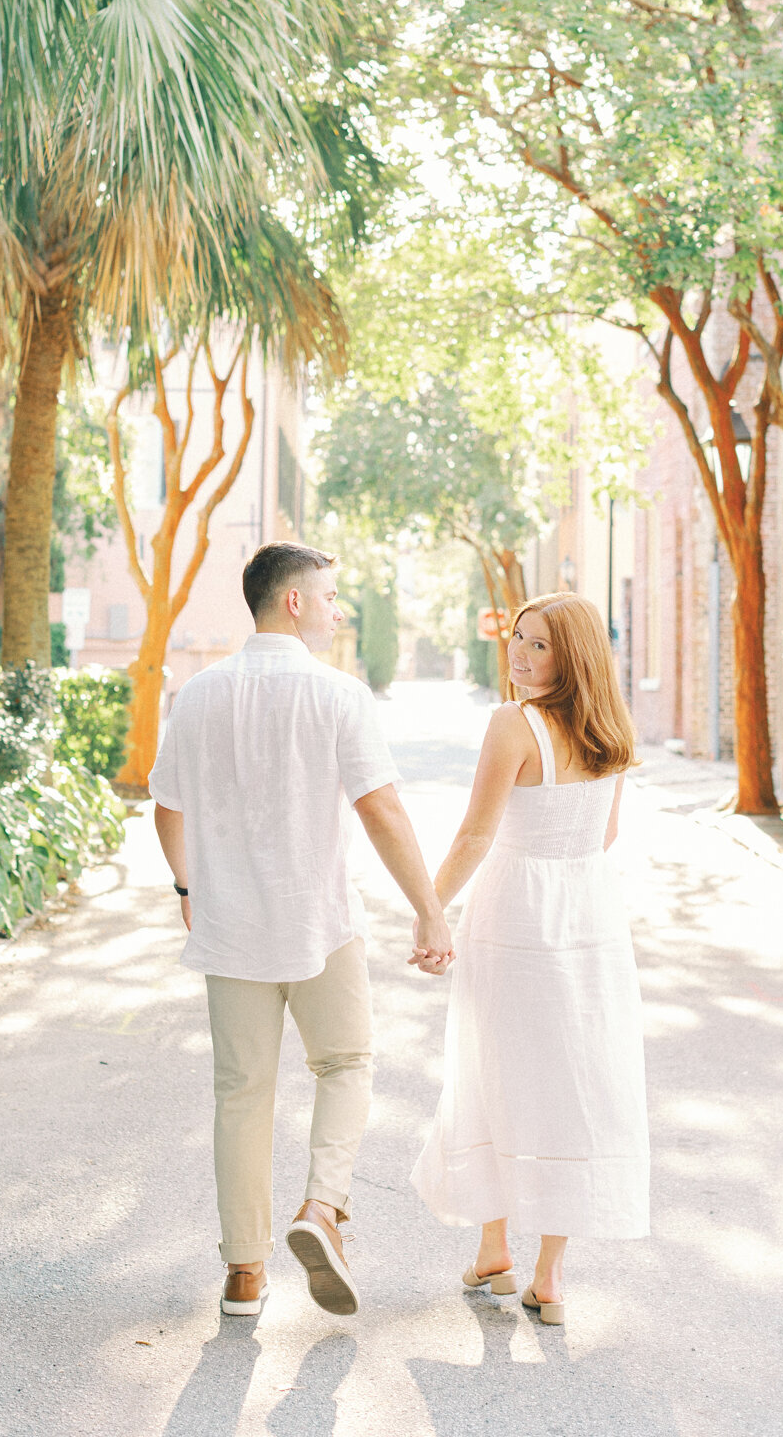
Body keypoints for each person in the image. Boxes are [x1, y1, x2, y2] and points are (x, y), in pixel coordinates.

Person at [149, 541, 453, 1320]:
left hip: (230, 926)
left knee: (241, 1094)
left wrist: (187, 885)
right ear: (293, 601)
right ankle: (322, 1207)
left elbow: (167, 808)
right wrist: (428, 908)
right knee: (345, 1063)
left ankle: (243, 1274)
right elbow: (381, 810)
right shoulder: (339, 695)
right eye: (329, 595)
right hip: (320, 924)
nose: (337, 609)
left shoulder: (198, 694)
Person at [410, 592, 649, 1323]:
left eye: (539, 644)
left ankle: (496, 1248)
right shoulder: (611, 728)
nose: (519, 652)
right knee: (571, 1084)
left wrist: (430, 911)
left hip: (515, 913)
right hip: (589, 916)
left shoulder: (513, 724)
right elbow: (606, 835)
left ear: (571, 656)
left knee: (496, 1074)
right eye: (518, 637)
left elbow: (475, 836)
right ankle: (547, 1276)